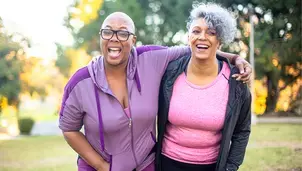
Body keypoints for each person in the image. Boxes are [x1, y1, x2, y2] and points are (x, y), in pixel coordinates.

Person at [58, 11, 252, 171]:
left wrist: (235, 58)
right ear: (100, 36)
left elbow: (198, 48)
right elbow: (68, 128)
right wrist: (101, 166)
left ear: (133, 39)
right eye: (108, 32)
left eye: (123, 33)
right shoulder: (81, 81)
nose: (115, 39)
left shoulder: (152, 59)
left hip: (146, 166)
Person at [156, 3, 252, 171]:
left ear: (220, 40)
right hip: (167, 163)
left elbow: (242, 131)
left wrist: (231, 167)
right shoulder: (169, 71)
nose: (202, 37)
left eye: (211, 33)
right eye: (196, 31)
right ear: (188, 37)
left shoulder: (236, 81)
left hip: (212, 166)